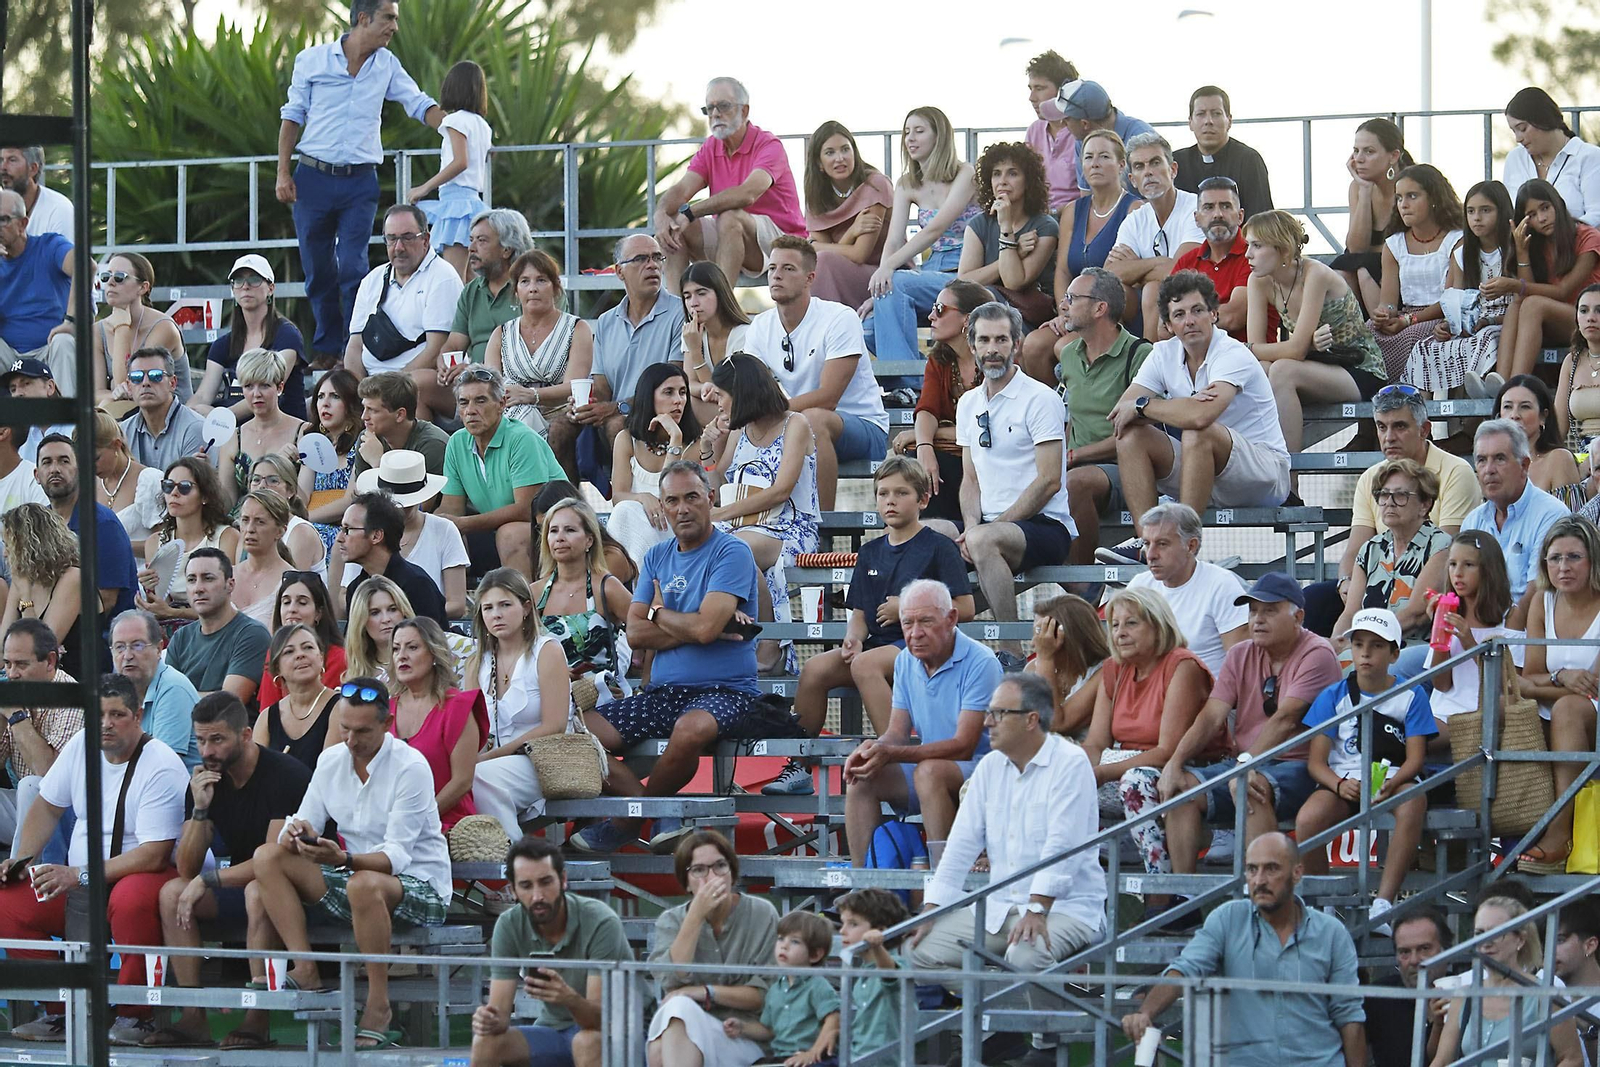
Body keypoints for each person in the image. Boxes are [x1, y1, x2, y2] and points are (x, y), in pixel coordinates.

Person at [910, 670, 1105, 1065]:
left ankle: (1043, 1044)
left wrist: (1037, 908)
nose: (987, 721)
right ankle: (1007, 1023)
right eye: (989, 712)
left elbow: (1062, 845)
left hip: (1068, 907)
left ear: (1031, 719)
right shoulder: (988, 769)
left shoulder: (1071, 763)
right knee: (917, 951)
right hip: (999, 908)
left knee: (1026, 956)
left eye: (999, 713)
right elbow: (960, 847)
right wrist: (931, 911)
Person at [250, 678, 452, 1051]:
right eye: (344, 727)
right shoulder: (330, 760)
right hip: (357, 877)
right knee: (268, 857)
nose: (351, 739)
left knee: (364, 883)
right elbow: (300, 823)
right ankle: (306, 967)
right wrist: (298, 833)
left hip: (421, 885)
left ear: (386, 724)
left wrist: (341, 858)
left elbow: (396, 858)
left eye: (362, 731)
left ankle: (379, 1005)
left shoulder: (411, 766)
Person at [570, 462, 762, 855]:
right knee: (573, 731)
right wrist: (691, 627)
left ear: (709, 498)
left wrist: (658, 612)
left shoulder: (733, 552)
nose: (682, 508)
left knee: (690, 730)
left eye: (692, 497)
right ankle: (653, 808)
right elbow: (637, 633)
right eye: (672, 501)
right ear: (662, 506)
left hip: (725, 691)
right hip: (664, 692)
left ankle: (628, 818)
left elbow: (704, 629)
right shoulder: (657, 555)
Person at [0, 675, 186, 1046]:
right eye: (99, 713)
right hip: (81, 883)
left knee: (130, 899)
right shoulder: (81, 747)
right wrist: (20, 860)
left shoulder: (161, 764)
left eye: (117, 714)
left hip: (139, 875)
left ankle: (137, 1016)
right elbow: (47, 807)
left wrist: (77, 874)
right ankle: (62, 1009)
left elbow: (154, 855)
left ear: (137, 716)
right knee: (8, 901)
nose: (106, 723)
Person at [145, 692, 311, 1051]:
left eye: (217, 739)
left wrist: (209, 880)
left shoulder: (284, 775)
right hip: (243, 883)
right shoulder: (207, 780)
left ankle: (257, 1016)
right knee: (172, 893)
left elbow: (273, 860)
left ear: (246, 735)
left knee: (258, 890)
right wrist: (200, 810)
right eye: (201, 740)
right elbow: (187, 868)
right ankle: (192, 1016)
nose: (207, 751)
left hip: (298, 887)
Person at [278, 0, 442, 362]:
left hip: (360, 183)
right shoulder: (312, 60)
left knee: (353, 266)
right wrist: (283, 173)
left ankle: (356, 350)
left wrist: (457, 129)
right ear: (363, 19)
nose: (395, 27)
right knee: (318, 270)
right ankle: (325, 348)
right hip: (313, 179)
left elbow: (418, 103)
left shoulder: (387, 66)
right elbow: (292, 116)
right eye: (389, 18)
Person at [789, 458, 973, 778]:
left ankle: (897, 758)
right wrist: (853, 638)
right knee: (815, 668)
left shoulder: (939, 547)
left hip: (921, 647)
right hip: (878, 646)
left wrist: (908, 608)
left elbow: (965, 608)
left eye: (901, 493)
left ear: (923, 500)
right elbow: (860, 613)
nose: (890, 500)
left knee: (866, 664)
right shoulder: (871, 551)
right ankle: (799, 769)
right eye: (883, 493)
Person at [1156, 573, 1342, 885]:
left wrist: (1244, 766)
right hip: (1248, 762)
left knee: (1250, 787)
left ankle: (1269, 897)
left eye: (1269, 611)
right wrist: (1174, 763)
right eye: (1253, 611)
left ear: (1298, 616)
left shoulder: (1318, 652)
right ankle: (1183, 901)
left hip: (1302, 764)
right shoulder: (1241, 652)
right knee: (1181, 789)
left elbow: (1286, 720)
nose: (1257, 619)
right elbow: (1212, 715)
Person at [1121, 832, 1366, 1067]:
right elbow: (1184, 970)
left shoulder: (1332, 933)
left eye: (1272, 869)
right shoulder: (1228, 919)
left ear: (1297, 873)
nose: (1259, 880)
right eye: (1252, 869)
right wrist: (1146, 1013)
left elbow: (1350, 1018)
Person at [928, 302, 1074, 653]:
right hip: (989, 525)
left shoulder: (1040, 399)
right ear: (973, 345)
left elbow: (1049, 480)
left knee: (981, 542)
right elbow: (970, 479)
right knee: (923, 532)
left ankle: (1010, 650)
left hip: (1045, 526)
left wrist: (986, 530)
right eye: (984, 340)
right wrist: (970, 525)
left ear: (1017, 344)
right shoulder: (968, 404)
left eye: (1001, 340)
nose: (993, 350)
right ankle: (930, 647)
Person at [1112, 272, 1289, 539]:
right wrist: (1165, 408)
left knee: (1199, 431)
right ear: (1169, 325)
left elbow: (1199, 416)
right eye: (1179, 314)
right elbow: (1121, 412)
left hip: (1264, 474)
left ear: (1213, 314)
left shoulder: (1232, 352)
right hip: (1204, 469)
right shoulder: (1162, 353)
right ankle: (1148, 543)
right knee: (1131, 436)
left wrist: (1145, 406)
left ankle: (1179, 544)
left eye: (1197, 310)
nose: (1190, 321)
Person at [842, 578, 999, 868]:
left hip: (985, 771)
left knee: (930, 773)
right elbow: (896, 733)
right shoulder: (905, 661)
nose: (915, 633)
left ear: (951, 618)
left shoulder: (982, 662)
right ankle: (864, 891)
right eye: (907, 623)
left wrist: (892, 753)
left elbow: (963, 747)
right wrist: (874, 749)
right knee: (861, 774)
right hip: (937, 766)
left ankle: (944, 881)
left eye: (925, 622)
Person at [1298, 607, 1435, 930]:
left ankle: (1383, 903)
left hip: (1393, 777)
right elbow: (1316, 763)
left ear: (1394, 653)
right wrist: (1338, 784)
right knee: (1308, 819)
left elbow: (1415, 760)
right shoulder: (1333, 695)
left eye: (1376, 645)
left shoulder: (1411, 694)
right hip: (1344, 779)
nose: (1365, 653)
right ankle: (1322, 906)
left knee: (1414, 799)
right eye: (1359, 644)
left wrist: (1390, 784)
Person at [1083, 587, 1218, 888]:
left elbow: (1167, 750)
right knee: (1055, 778)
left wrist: (1102, 772)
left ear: (1158, 626)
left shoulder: (1182, 665)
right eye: (1115, 625)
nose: (1120, 632)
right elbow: (1095, 743)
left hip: (1184, 766)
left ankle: (1162, 893)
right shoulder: (1113, 668)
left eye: (1132, 623)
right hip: (1123, 764)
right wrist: (1080, 770)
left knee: (1136, 781)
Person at [745, 235, 889, 510]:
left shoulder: (839, 318)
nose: (776, 275)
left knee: (811, 419)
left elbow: (828, 398)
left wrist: (770, 412)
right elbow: (753, 392)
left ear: (810, 278)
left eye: (788, 269)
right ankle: (731, 523)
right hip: (794, 421)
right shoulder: (760, 326)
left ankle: (820, 529)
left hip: (863, 427)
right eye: (773, 268)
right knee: (732, 425)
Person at [469, 837, 630, 1067]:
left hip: (619, 1031)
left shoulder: (600, 920)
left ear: (562, 880)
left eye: (545, 882)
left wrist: (569, 998)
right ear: (513, 890)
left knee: (586, 1042)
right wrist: (487, 1020)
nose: (537, 896)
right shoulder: (508, 924)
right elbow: (501, 1017)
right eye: (526, 886)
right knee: (485, 1043)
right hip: (554, 1031)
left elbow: (599, 1021)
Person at [1244, 208, 1387, 457]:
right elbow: (1264, 351)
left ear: (1283, 249)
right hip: (1316, 367)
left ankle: (1289, 481)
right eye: (1249, 245)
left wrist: (1249, 349)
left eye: (1257, 245)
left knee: (1280, 370)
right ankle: (1259, 465)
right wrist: (1258, 349)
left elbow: (1294, 350)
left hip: (1359, 369)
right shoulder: (1258, 280)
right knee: (1263, 371)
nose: (1248, 254)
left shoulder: (1315, 273)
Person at [706, 354, 819, 670]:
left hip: (791, 527)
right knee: (711, 545)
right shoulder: (740, 432)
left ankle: (769, 641)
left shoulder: (795, 424)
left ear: (740, 392)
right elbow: (718, 481)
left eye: (721, 396)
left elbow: (781, 491)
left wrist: (722, 514)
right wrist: (707, 447)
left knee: (735, 548)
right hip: (744, 527)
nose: (718, 405)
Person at [653, 77, 806, 293]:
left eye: (723, 106)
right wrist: (660, 216)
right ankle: (677, 315)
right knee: (674, 230)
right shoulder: (710, 147)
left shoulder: (768, 145)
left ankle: (721, 311)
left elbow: (747, 195)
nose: (715, 114)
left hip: (780, 241)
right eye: (710, 108)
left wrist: (689, 212)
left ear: (744, 111)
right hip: (731, 240)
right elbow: (681, 190)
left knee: (729, 216)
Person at [645, 829, 780, 1067]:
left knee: (665, 1039)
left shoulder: (762, 913)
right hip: (688, 1029)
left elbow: (764, 995)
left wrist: (704, 991)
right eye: (699, 870)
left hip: (744, 1035)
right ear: (686, 882)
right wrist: (695, 917)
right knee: (675, 1015)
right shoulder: (672, 921)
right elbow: (670, 979)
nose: (712, 877)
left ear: (732, 873)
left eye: (720, 866)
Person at [1020, 131, 1142, 383]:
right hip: (1075, 309)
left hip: (1113, 314)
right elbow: (1063, 269)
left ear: (1121, 165)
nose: (1094, 163)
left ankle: (1082, 410)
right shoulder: (1072, 210)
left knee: (1063, 347)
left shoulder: (1135, 209)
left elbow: (1130, 280)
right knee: (1032, 346)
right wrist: (1065, 310)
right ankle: (1053, 413)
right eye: (1088, 157)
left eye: (1104, 156)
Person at [862, 105, 980, 361]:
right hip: (931, 269)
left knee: (899, 281)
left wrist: (889, 270)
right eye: (906, 132)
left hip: (964, 270)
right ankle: (921, 379)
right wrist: (879, 290)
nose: (910, 139)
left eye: (919, 131)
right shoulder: (907, 183)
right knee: (866, 330)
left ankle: (907, 385)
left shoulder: (966, 173)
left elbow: (936, 229)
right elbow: (893, 240)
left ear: (939, 136)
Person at [1050, 268, 1153, 562]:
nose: (1063, 304)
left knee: (1075, 483)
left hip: (1126, 468)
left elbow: (1135, 433)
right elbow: (1071, 418)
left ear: (1100, 308)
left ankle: (1084, 583)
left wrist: (1076, 456)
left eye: (1072, 297)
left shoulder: (1140, 353)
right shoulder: (1069, 354)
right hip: (1077, 463)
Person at [1517, 515, 1600, 872]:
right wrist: (1562, 676)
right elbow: (1524, 679)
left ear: (1593, 560)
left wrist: (1550, 685)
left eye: (1574, 557)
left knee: (1567, 709)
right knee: (1508, 705)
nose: (1563, 567)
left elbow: (1591, 688)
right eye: (1555, 558)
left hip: (1588, 713)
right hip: (1555, 704)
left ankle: (1559, 832)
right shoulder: (1542, 602)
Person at [465, 569, 571, 839]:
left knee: (479, 776)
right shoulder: (476, 662)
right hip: (490, 762)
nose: (496, 614)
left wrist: (489, 758)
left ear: (525, 607)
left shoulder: (546, 651)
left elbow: (554, 726)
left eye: (505, 605)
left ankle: (512, 858)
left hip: (540, 760)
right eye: (487, 608)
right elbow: (470, 728)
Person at [1428, 895, 1585, 1067]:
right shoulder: (1464, 996)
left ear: (1520, 939)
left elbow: (1572, 1059)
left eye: (1497, 933)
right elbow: (1442, 1061)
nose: (1486, 942)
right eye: (1479, 933)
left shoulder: (1545, 996)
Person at [438, 365, 564, 576]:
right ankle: (453, 604)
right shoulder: (456, 442)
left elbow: (527, 510)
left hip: (554, 527)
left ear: (501, 404)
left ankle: (523, 605)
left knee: (510, 534)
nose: (471, 410)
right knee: (434, 532)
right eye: (464, 402)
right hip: (496, 532)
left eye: (480, 400)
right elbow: (451, 509)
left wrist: (464, 523)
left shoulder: (521, 439)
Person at [482, 248, 589, 478]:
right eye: (524, 281)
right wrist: (518, 400)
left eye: (541, 280)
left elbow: (575, 385)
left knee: (526, 423)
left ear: (555, 286)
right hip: (511, 413)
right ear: (516, 290)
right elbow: (492, 387)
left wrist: (532, 396)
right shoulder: (501, 334)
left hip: (561, 413)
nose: (532, 288)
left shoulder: (576, 329)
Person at [418, 208, 532, 421]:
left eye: (481, 241)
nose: (471, 248)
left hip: (516, 385)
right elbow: (453, 344)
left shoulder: (531, 288)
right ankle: (424, 454)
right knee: (415, 385)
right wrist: (445, 364)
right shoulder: (471, 291)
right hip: (470, 385)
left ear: (506, 249)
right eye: (471, 240)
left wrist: (476, 370)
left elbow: (537, 352)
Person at [1405, 181, 1519, 393]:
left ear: (1502, 212)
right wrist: (1447, 326)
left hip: (1505, 325)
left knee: (1485, 339)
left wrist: (1489, 321)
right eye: (1471, 211)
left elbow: (1521, 301)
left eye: (1486, 210)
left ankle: (1483, 396)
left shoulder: (1514, 250)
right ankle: (1422, 415)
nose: (1477, 217)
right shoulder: (1462, 254)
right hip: (1472, 326)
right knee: (1425, 346)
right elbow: (1457, 304)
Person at [893, 279, 992, 521]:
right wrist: (924, 446)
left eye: (939, 309)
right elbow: (927, 410)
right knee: (911, 465)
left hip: (990, 464)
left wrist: (923, 436)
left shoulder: (996, 360)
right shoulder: (939, 360)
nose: (930, 316)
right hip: (953, 461)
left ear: (967, 319)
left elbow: (991, 429)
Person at [1331, 459, 1452, 657]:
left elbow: (1416, 615)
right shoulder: (1371, 549)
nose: (1389, 502)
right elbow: (1350, 613)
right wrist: (1335, 644)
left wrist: (1366, 641)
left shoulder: (1441, 545)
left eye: (1400, 495)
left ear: (1425, 505)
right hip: (1365, 647)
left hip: (1415, 648)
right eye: (1384, 495)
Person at [1462, 418, 1570, 628]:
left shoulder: (1551, 515)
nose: (1489, 470)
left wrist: (1499, 651)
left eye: (1499, 459)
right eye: (1482, 460)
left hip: (1527, 639)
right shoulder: (1473, 521)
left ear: (1524, 465)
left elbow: (1536, 593)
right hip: (1476, 638)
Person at [581, 235, 685, 447]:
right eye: (641, 259)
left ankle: (619, 482)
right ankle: (566, 483)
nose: (652, 265)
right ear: (619, 271)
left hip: (660, 411)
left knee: (616, 426)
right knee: (560, 427)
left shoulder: (680, 312)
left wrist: (618, 408)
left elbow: (674, 383)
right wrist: (587, 404)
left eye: (657, 258)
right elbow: (602, 386)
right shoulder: (606, 321)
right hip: (617, 412)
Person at [529, 499, 634, 702]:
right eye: (553, 531)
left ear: (589, 540)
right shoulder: (534, 593)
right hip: (548, 697)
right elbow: (518, 653)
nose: (559, 538)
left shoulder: (606, 587)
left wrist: (646, 677)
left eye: (569, 530)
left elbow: (647, 631)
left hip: (602, 699)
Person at [338, 449, 466, 615]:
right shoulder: (361, 543)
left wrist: (402, 613)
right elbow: (345, 596)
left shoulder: (444, 530)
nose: (399, 508)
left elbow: (457, 604)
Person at [387, 616, 486, 831]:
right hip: (392, 824)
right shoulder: (385, 709)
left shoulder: (458, 707)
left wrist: (418, 819)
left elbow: (462, 782)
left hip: (445, 822)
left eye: (412, 647)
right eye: (396, 649)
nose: (402, 656)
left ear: (434, 654)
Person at [344, 203, 464, 379]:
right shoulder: (372, 279)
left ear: (426, 239)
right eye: (391, 238)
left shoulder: (443, 276)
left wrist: (386, 389)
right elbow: (354, 346)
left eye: (407, 238)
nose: (398, 247)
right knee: (315, 402)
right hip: (370, 387)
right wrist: (357, 390)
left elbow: (436, 350)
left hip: (413, 384)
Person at [1370, 164, 1466, 381]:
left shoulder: (1455, 240)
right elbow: (1389, 302)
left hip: (1439, 316)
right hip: (1406, 315)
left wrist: (1409, 320)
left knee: (1413, 336)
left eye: (1412, 196)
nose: (1404, 205)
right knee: (1369, 332)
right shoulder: (1394, 245)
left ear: (1433, 198)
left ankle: (1406, 395)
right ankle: (1375, 398)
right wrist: (1384, 314)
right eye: (1399, 198)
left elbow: (1450, 300)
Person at [1124, 503, 1246, 670]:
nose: (1150, 555)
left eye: (1162, 544)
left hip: (1208, 693)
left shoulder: (1221, 584)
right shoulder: (1139, 586)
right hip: (1152, 692)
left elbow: (1241, 667)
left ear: (1191, 545)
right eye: (1146, 544)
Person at [608, 362, 707, 567]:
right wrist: (643, 497)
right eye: (668, 393)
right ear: (649, 397)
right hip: (638, 529)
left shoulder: (695, 444)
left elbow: (669, 496)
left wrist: (675, 439)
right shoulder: (627, 440)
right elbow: (618, 496)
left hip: (678, 526)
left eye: (682, 393)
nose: (678, 401)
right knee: (625, 510)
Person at [1425, 531, 1517, 750]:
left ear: (1488, 569)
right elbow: (1442, 684)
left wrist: (1470, 643)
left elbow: (1511, 685)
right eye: (1452, 564)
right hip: (1442, 711)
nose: (1457, 573)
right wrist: (1440, 633)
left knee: (1411, 741)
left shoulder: (1511, 616)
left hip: (1481, 713)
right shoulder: (1450, 609)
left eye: (1468, 565)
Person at [1105, 132, 1203, 338]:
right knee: (1112, 292)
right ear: (1132, 179)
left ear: (1173, 169)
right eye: (1139, 167)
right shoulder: (1134, 219)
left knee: (1152, 288)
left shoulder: (1196, 207)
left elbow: (1183, 270)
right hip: (1143, 308)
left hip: (1197, 299)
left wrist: (1138, 272)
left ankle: (1150, 358)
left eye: (1155, 163)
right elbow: (1111, 274)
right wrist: (1159, 263)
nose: (1148, 172)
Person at [35, 432, 139, 623]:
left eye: (64, 461)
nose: (55, 469)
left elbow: (106, 601)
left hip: (101, 639)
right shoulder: (39, 526)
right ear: (37, 475)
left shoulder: (102, 524)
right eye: (47, 462)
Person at [1501, 179, 1600, 379]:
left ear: (1557, 204)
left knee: (1533, 304)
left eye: (1545, 208)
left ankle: (1515, 385)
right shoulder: (1538, 244)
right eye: (1532, 215)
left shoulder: (1587, 236)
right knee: (1515, 307)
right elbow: (1524, 293)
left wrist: (1514, 285)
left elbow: (1563, 291)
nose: (1542, 218)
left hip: (1590, 317)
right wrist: (1522, 252)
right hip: (1559, 320)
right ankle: (1500, 382)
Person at [0, 619, 82, 857]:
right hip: (24, 808)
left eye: (21, 665)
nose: (12, 674)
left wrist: (16, 716)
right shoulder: (12, 688)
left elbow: (48, 773)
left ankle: (19, 878)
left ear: (50, 661)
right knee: (26, 790)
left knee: (31, 786)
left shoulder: (71, 697)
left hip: (69, 815)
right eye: (7, 664)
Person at [191, 254, 307, 420]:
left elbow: (267, 391)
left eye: (254, 279)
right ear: (233, 290)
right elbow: (203, 396)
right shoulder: (223, 344)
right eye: (238, 281)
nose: (245, 286)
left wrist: (220, 418)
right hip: (235, 432)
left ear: (271, 288)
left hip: (281, 431)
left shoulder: (288, 336)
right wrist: (186, 416)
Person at [958, 141, 1060, 328]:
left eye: (1012, 173)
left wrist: (1005, 227)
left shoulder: (1045, 226)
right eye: (996, 174)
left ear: (1028, 181)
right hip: (985, 316)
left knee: (988, 296)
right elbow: (964, 281)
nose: (1002, 181)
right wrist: (1017, 251)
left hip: (1029, 317)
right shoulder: (979, 224)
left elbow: (1014, 282)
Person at [407, 60, 491, 280]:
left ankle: (454, 316)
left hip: (456, 205)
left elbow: (460, 162)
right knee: (471, 278)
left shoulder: (455, 121)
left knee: (453, 276)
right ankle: (475, 316)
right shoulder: (482, 125)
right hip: (473, 203)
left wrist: (424, 188)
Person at [722, 910, 839, 1065]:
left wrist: (813, 1052)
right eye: (781, 939)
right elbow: (769, 1030)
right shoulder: (776, 989)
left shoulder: (817, 985)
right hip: (783, 1057)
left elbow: (834, 1018)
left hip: (815, 1059)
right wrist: (743, 1028)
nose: (784, 946)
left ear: (815, 955)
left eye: (795, 941)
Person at [136, 459, 240, 627]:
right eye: (168, 486)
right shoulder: (155, 543)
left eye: (184, 487)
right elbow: (159, 606)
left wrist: (174, 613)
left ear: (205, 496)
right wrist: (149, 591)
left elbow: (230, 604)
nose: (174, 493)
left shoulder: (227, 537)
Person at [0, 187, 84, 394]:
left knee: (63, 342)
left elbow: (85, 266)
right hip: (9, 353)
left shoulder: (49, 245)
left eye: (3, 220)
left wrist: (71, 321)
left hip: (48, 349)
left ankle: (69, 425)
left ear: (23, 224)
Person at [165, 548, 273, 706]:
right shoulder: (181, 637)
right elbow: (165, 695)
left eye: (208, 578)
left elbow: (228, 702)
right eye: (191, 580)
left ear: (230, 585)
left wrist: (179, 697)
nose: (198, 588)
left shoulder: (252, 635)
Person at [803, 120, 894, 309]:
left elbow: (859, 254)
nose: (840, 158)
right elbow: (820, 254)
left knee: (824, 263)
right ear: (819, 163)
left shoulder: (875, 185)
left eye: (845, 149)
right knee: (816, 267)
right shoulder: (816, 196)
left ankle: (826, 329)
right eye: (830, 153)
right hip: (837, 272)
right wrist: (852, 232)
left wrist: (818, 246)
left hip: (881, 275)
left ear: (854, 152)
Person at [1332, 118, 1414, 312]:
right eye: (1356, 150)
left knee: (1363, 269)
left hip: (1403, 270)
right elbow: (1355, 248)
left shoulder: (1411, 184)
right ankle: (1355, 337)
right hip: (1365, 267)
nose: (1359, 159)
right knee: (1342, 271)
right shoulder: (1357, 187)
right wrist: (1365, 190)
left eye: (1369, 151)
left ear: (1393, 156)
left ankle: (1382, 336)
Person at [1169, 176, 1263, 343]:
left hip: (1245, 360)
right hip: (1192, 362)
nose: (1217, 214)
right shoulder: (1186, 262)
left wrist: (1184, 319)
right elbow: (1164, 326)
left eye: (1226, 206)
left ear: (1240, 216)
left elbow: (1234, 317)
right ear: (1197, 218)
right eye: (1208, 207)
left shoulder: (1255, 255)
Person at [94, 252, 192, 405]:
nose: (111, 282)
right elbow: (97, 392)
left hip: (168, 414)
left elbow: (133, 384)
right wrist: (114, 393)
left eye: (120, 277)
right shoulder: (97, 331)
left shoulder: (163, 327)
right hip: (129, 411)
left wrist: (121, 328)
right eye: (106, 276)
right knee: (105, 405)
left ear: (143, 287)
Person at [110, 609, 203, 768]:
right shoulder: (116, 690)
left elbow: (161, 767)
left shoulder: (173, 688)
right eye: (120, 647)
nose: (127, 655)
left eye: (137, 645)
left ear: (159, 649)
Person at [337, 489, 446, 624]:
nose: (339, 538)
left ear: (376, 536)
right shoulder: (355, 589)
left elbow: (430, 642)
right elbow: (354, 643)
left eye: (347, 530)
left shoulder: (417, 586)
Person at [0, 503, 83, 678]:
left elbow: (41, 650)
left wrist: (25, 597)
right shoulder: (22, 580)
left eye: (9, 546)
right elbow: (2, 651)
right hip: (26, 682)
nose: (5, 554)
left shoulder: (73, 577)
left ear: (29, 546)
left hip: (72, 684)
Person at [214, 350, 307, 505]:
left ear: (280, 387)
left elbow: (303, 501)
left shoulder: (303, 432)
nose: (256, 394)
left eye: (264, 385)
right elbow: (227, 503)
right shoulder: (233, 437)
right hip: (242, 523)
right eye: (249, 386)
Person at [1364, 908, 1455, 1067]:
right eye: (1405, 952)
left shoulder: (1468, 993)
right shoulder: (1379, 997)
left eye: (1424, 949)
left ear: (1446, 950)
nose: (1414, 960)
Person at [831, 889, 912, 1058]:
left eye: (853, 924)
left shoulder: (897, 964)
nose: (842, 931)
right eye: (842, 923)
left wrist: (877, 945)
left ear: (880, 930)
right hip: (859, 1057)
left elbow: (889, 974)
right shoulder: (864, 971)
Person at [1503, 87, 1600, 227]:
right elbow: (1508, 213)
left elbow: (1596, 216)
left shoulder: (1590, 157)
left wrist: (1561, 235)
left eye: (1523, 129)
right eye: (1514, 131)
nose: (1518, 138)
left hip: (1576, 246)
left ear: (1543, 119)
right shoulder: (1515, 158)